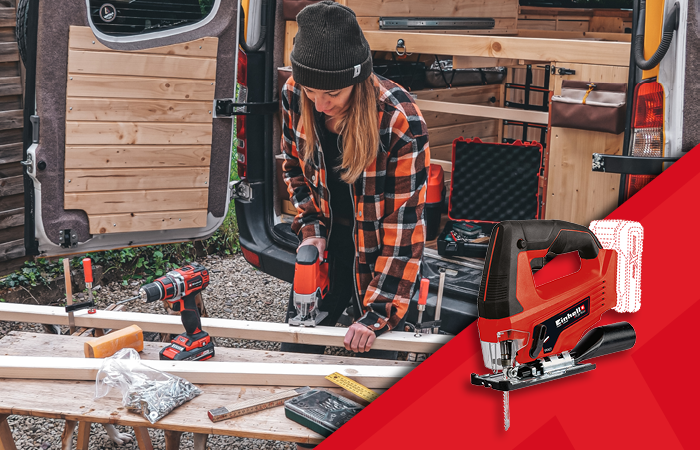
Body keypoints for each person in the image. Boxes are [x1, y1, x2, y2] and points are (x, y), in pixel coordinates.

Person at [280, 1, 430, 359]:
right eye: (311, 92)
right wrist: (311, 232)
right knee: (291, 354)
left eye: (331, 94)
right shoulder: (294, 93)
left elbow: (403, 229)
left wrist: (377, 315)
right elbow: (294, 170)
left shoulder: (400, 122)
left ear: (356, 81)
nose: (319, 105)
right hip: (329, 242)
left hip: (381, 252)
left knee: (375, 376)